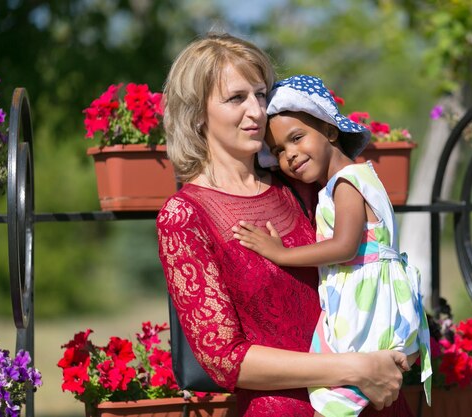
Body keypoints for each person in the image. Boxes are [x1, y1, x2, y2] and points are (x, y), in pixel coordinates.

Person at [157, 33, 412, 417]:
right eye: (236, 98)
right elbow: (225, 359)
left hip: (373, 400)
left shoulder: (300, 186)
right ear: (196, 113)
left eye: (260, 95)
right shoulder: (184, 216)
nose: (257, 111)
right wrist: (357, 368)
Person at [232, 75, 432, 417]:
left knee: (336, 399)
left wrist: (280, 254)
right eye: (279, 151)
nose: (290, 155)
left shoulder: (347, 183)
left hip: (366, 301)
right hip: (375, 296)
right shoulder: (355, 178)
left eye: (297, 139)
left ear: (330, 131)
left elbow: (345, 247)